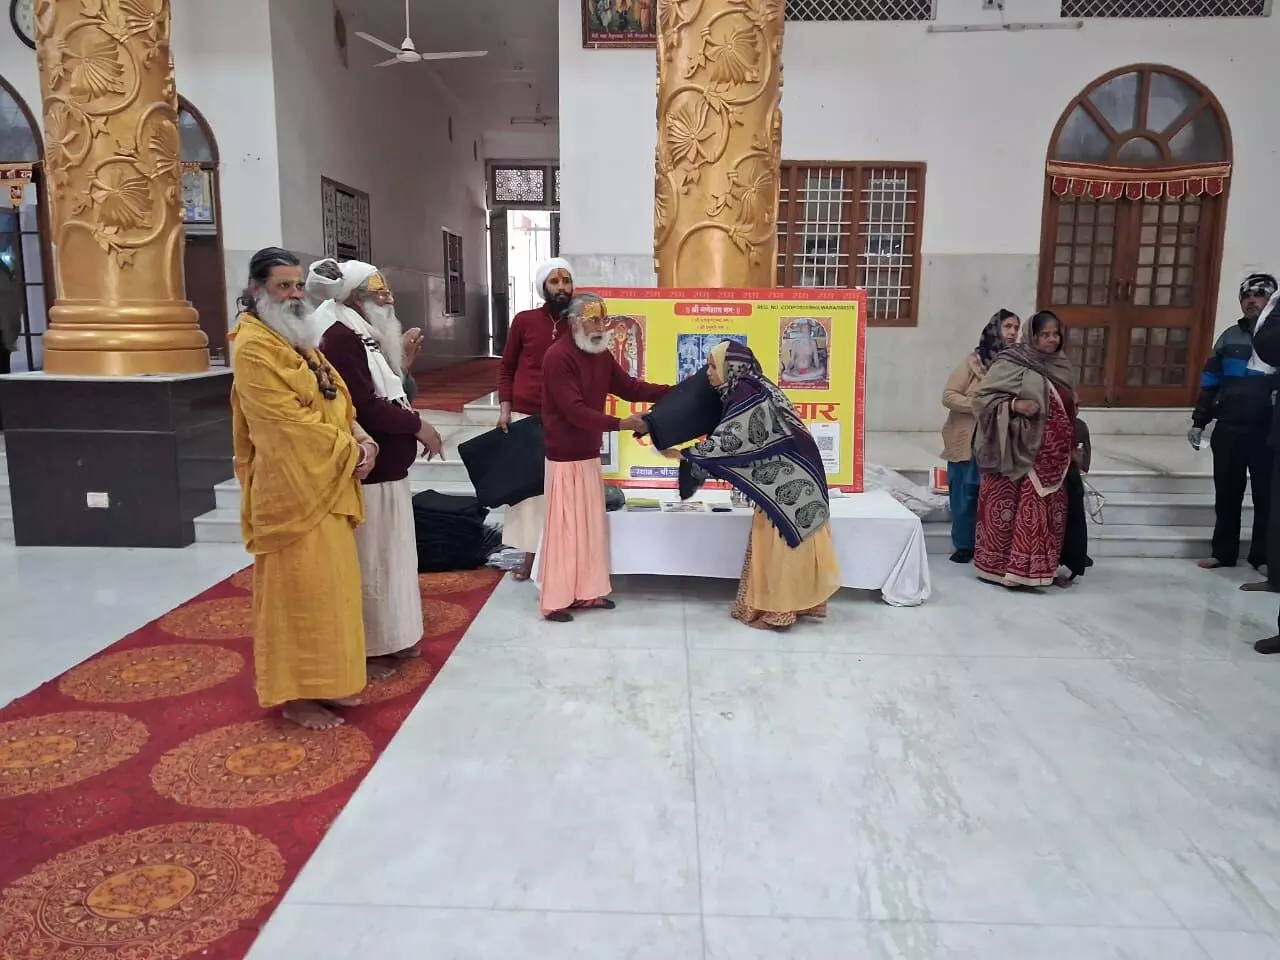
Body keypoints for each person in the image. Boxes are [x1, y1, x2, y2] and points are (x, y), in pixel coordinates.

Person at [230, 248, 376, 730]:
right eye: (283, 286)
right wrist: (350, 450)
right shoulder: (253, 348)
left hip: (325, 480)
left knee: (332, 590)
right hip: (292, 490)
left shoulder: (296, 337)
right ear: (257, 290)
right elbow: (286, 426)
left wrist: (362, 437)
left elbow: (336, 399)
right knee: (299, 594)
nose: (294, 295)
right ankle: (296, 696)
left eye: (297, 285)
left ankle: (330, 682)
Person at [309, 258, 444, 675]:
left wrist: (403, 361)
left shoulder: (363, 333)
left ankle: (393, 637)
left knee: (391, 559)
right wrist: (418, 425)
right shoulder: (338, 336)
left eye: (387, 292)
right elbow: (363, 406)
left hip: (389, 474)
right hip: (367, 472)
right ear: (353, 297)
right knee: (370, 563)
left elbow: (393, 390)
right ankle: (367, 647)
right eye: (377, 293)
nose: (387, 300)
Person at [665, 340, 841, 629]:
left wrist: (686, 454)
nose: (708, 372)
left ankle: (779, 614)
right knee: (783, 539)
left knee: (780, 543)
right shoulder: (752, 387)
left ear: (731, 368)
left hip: (789, 480)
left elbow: (732, 441)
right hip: (794, 474)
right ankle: (793, 605)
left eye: (713, 366)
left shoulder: (748, 392)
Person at [538, 292, 670, 621]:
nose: (601, 327)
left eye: (604, 320)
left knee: (590, 529)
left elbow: (630, 388)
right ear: (574, 322)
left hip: (588, 454)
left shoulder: (599, 353)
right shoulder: (558, 357)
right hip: (564, 458)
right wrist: (622, 424)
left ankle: (587, 593)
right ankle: (555, 600)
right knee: (566, 532)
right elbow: (574, 411)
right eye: (594, 320)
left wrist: (674, 391)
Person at [972, 310, 1077, 588]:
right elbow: (982, 400)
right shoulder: (1012, 361)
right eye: (1045, 335)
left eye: (1055, 334)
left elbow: (1069, 406)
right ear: (1032, 335)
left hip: (1054, 454)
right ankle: (1006, 570)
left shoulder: (1062, 364)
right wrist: (1015, 405)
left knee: (1049, 513)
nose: (1052, 340)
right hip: (1019, 451)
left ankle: (1043, 571)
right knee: (1021, 509)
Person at [1189, 272, 1279, 573]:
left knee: (1267, 497)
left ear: (1272, 301)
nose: (1251, 301)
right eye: (1246, 296)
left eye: (1259, 295)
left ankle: (1263, 557)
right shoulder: (1229, 337)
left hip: (1266, 431)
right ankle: (1223, 553)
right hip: (1228, 429)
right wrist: (1199, 421)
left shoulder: (1277, 340)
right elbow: (1210, 381)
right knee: (1227, 495)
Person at [497, 257, 573, 581]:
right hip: (525, 416)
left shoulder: (578, 323)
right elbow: (506, 367)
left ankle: (556, 557)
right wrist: (505, 408)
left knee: (560, 491)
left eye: (566, 281)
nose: (561, 287)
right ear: (544, 287)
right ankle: (529, 557)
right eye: (555, 282)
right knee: (529, 494)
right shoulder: (524, 321)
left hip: (565, 418)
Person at [940, 309, 1021, 564]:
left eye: (1016, 328)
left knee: (994, 496)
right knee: (964, 495)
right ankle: (964, 546)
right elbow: (949, 396)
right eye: (1007, 326)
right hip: (968, 440)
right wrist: (980, 406)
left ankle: (990, 546)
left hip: (998, 441)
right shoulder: (973, 363)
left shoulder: (1018, 365)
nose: (1012, 332)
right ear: (995, 329)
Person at [1057, 417, 1094, 587]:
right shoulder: (1053, 421)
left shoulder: (1078, 425)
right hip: (1054, 479)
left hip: (1070, 477)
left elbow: (1085, 453)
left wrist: (1081, 468)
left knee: (1074, 521)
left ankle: (1075, 561)